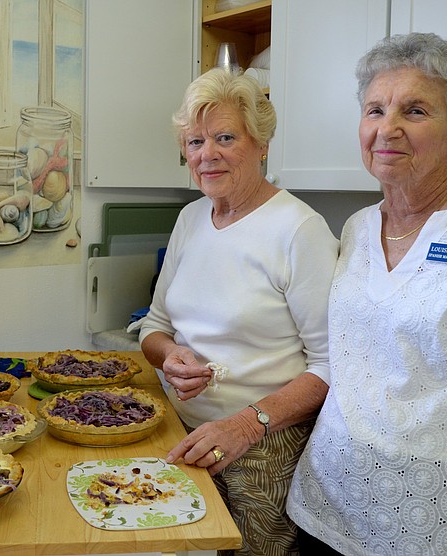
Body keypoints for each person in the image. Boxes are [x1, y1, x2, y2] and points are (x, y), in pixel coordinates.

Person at [286, 32, 447, 556]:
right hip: (324, 503)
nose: (386, 128)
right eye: (375, 109)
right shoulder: (355, 228)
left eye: (414, 111)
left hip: (437, 524)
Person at [139, 67, 339, 555]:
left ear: (261, 143)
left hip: (262, 448)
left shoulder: (299, 230)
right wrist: (168, 357)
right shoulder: (191, 218)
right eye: (194, 142)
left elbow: (333, 364)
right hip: (180, 429)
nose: (207, 154)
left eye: (225, 137)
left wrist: (244, 426)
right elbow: (154, 325)